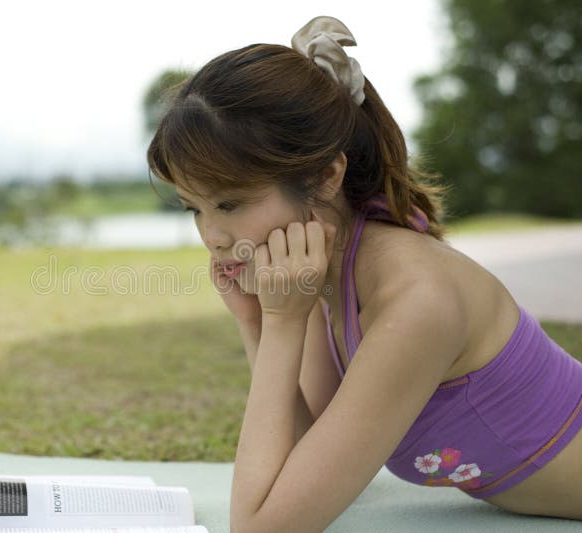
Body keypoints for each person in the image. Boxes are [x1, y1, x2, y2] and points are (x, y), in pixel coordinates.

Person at [146, 14, 582, 533]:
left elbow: (264, 526)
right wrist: (257, 323)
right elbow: (303, 463)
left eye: (230, 203)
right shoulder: (322, 272)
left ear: (326, 175)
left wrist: (282, 322)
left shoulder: (415, 299)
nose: (213, 236)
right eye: (194, 208)